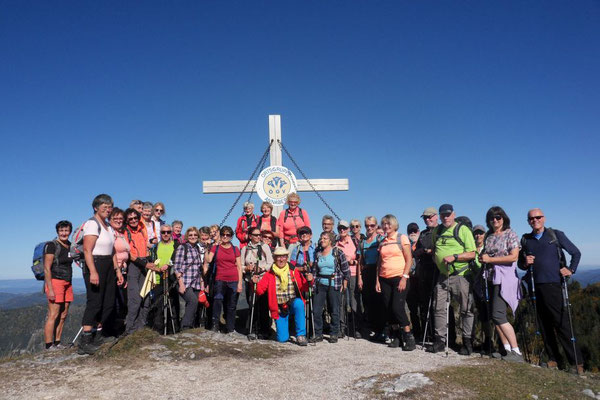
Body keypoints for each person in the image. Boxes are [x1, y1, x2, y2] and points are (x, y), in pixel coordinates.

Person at [518, 208, 583, 373]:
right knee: (543, 325)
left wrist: (570, 269)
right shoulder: (526, 240)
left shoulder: (555, 235)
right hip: (534, 286)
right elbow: (520, 263)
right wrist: (525, 262)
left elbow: (575, 253)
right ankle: (554, 360)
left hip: (553, 285)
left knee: (562, 324)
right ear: (528, 221)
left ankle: (576, 363)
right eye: (531, 219)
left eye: (538, 217)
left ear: (544, 218)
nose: (535, 220)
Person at [79, 194, 124, 355]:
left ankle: (98, 336)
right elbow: (87, 250)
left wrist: (117, 270)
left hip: (107, 265)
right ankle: (85, 342)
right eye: (104, 207)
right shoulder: (92, 224)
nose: (107, 209)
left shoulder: (108, 227)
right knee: (95, 302)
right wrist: (92, 271)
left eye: (109, 206)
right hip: (95, 264)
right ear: (96, 208)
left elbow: (112, 251)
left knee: (108, 302)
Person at [428, 204, 476, 355]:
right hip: (443, 275)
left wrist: (454, 257)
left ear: (454, 214)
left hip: (460, 275)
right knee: (438, 307)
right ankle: (440, 341)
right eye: (443, 215)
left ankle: (467, 342)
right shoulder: (438, 230)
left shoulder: (462, 229)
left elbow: (472, 254)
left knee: (466, 309)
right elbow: (435, 249)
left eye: (448, 214)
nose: (445, 217)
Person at [478, 207, 523, 362]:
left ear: (504, 218)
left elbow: (513, 257)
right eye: (491, 218)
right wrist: (483, 258)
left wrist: (490, 260)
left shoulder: (510, 234)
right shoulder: (489, 236)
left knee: (498, 314)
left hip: (505, 279)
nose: (495, 220)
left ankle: (516, 352)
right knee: (494, 315)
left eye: (498, 217)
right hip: (491, 278)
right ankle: (506, 350)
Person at [253, 247, 313, 345]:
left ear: (286, 257)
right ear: (274, 258)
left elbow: (305, 287)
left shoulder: (294, 271)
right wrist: (254, 282)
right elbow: (259, 291)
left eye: (283, 257)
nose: (281, 259)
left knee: (299, 303)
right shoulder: (269, 274)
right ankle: (286, 331)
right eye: (278, 257)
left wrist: (310, 280)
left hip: (292, 303)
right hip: (279, 307)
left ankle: (301, 335)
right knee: (282, 339)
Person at [375, 215, 416, 350]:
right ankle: (396, 336)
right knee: (388, 308)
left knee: (397, 308)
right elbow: (380, 262)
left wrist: (404, 277)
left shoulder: (401, 238)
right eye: (384, 224)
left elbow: (409, 259)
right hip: (384, 278)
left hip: (399, 277)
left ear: (394, 224)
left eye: (388, 223)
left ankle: (408, 336)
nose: (386, 226)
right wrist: (377, 280)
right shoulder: (382, 241)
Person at [123, 208, 162, 336]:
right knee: (135, 300)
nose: (133, 220)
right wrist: (146, 264)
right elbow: (129, 254)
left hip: (145, 263)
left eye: (135, 218)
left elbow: (146, 247)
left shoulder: (141, 230)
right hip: (134, 266)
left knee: (145, 298)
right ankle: (130, 331)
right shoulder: (125, 232)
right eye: (130, 219)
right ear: (127, 220)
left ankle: (140, 329)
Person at [311, 231, 350, 343]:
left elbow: (345, 269)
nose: (322, 240)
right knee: (317, 310)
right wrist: (313, 283)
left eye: (325, 238)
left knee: (334, 309)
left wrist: (345, 282)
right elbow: (315, 270)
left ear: (330, 240)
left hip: (334, 283)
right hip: (320, 283)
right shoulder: (318, 253)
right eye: (321, 238)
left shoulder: (337, 252)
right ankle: (318, 333)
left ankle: (334, 333)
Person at [204, 226, 243, 333]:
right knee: (217, 302)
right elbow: (208, 260)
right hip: (219, 279)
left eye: (228, 235)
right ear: (220, 236)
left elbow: (239, 267)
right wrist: (207, 249)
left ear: (231, 236)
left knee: (231, 305)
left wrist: (240, 284)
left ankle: (230, 328)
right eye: (223, 235)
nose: (225, 237)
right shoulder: (215, 248)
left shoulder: (235, 249)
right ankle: (215, 325)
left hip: (233, 279)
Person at [43, 220, 74, 350]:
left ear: (70, 232)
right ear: (57, 232)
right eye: (61, 230)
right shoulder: (52, 245)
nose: (64, 233)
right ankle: (49, 345)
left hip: (67, 282)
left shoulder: (71, 246)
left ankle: (58, 342)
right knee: (53, 314)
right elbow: (46, 268)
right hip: (55, 282)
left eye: (66, 230)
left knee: (63, 314)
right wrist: (50, 289)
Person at [241, 226, 273, 338]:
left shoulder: (265, 247)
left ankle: (264, 330)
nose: (258, 237)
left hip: (263, 279)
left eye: (259, 235)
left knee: (263, 305)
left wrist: (262, 269)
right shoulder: (245, 249)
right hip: (249, 280)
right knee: (252, 304)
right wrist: (246, 268)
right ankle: (252, 329)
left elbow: (270, 263)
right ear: (250, 236)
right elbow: (240, 265)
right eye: (256, 235)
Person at [413, 207, 439, 343]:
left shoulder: (442, 231)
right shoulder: (422, 234)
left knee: (438, 306)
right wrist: (425, 250)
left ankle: (441, 336)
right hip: (423, 272)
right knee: (424, 304)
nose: (427, 220)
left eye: (429, 217)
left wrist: (430, 251)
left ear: (436, 216)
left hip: (438, 271)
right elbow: (415, 252)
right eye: (425, 218)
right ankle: (426, 334)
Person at [358, 216, 385, 341]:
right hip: (367, 272)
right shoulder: (363, 242)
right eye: (367, 225)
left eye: (372, 225)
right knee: (368, 302)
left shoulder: (380, 240)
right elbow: (360, 261)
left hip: (379, 271)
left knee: (380, 302)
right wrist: (359, 278)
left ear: (376, 226)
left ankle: (382, 330)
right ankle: (374, 329)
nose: (369, 228)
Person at [174, 227, 204, 330]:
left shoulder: (197, 249)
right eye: (190, 235)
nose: (193, 237)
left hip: (195, 283)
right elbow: (177, 268)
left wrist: (202, 284)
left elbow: (199, 269)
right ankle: (185, 327)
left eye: (195, 235)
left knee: (191, 304)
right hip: (185, 282)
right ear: (187, 236)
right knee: (193, 301)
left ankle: (189, 326)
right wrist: (181, 285)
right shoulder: (182, 248)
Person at [336, 220, 362, 339]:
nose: (342, 230)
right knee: (341, 302)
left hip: (352, 274)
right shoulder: (336, 244)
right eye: (340, 228)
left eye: (344, 228)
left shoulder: (355, 242)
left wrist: (351, 261)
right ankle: (342, 328)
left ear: (348, 230)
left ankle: (357, 328)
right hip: (340, 275)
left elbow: (360, 260)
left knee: (354, 301)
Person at [471, 224, 493, 353]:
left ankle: (490, 341)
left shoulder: (489, 248)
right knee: (479, 314)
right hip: (474, 284)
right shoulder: (470, 248)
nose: (478, 235)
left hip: (487, 285)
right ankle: (482, 340)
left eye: (480, 233)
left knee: (488, 315)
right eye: (476, 233)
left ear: (485, 234)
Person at [109, 208, 130, 334]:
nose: (118, 220)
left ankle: (118, 330)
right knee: (115, 301)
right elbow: (111, 252)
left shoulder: (121, 233)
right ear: (109, 219)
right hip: (114, 270)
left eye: (120, 218)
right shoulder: (110, 233)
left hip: (122, 271)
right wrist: (117, 271)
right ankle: (111, 331)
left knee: (122, 301)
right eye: (115, 218)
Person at [405, 222, 421, 340]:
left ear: (418, 231)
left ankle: (428, 332)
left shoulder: (422, 244)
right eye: (410, 231)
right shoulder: (406, 246)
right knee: (413, 309)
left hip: (422, 280)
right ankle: (417, 331)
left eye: (415, 231)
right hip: (410, 281)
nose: (413, 233)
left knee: (424, 308)